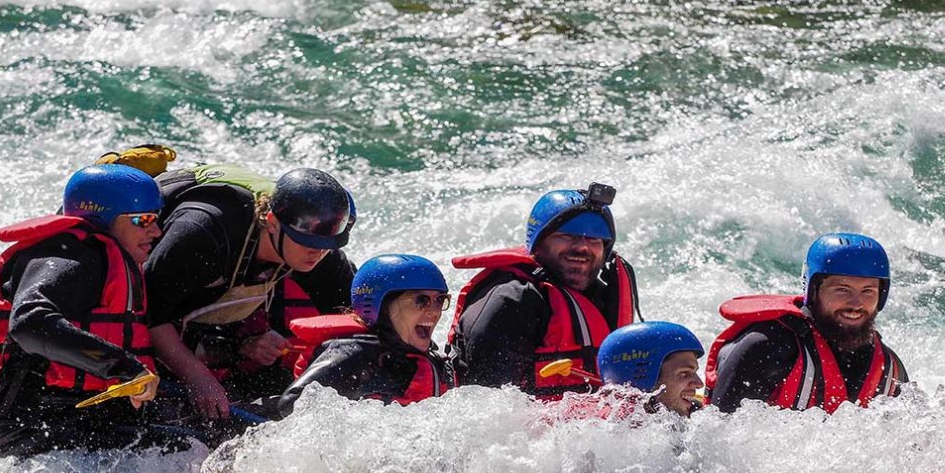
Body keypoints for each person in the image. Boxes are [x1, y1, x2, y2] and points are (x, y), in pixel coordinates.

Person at [0, 165, 192, 459]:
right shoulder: (68, 257)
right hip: (35, 430)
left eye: (157, 219)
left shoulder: (106, 258)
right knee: (188, 453)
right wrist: (123, 368)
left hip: (81, 421)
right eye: (143, 220)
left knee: (196, 442)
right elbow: (29, 323)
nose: (156, 231)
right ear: (102, 219)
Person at [142, 165, 357, 422]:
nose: (318, 252)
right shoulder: (201, 232)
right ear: (272, 222)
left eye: (327, 245)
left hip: (213, 322)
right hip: (152, 307)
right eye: (308, 242)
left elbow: (359, 315)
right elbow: (150, 313)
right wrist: (197, 378)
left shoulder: (316, 248)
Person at [448, 183, 640, 398]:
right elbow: (485, 406)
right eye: (567, 235)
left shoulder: (603, 296)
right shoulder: (510, 300)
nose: (582, 247)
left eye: (594, 238)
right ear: (538, 243)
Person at [705, 232, 908, 413]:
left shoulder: (889, 368)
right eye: (842, 290)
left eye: (867, 291)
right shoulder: (767, 348)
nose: (856, 304)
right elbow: (716, 438)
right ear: (813, 291)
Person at [275, 254, 455, 417]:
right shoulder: (356, 352)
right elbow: (291, 403)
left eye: (440, 300)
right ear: (381, 305)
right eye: (422, 300)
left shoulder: (428, 358)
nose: (434, 311)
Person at [597, 322, 705, 418]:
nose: (699, 384)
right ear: (643, 377)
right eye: (684, 373)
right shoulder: (600, 434)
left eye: (694, 372)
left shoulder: (695, 415)